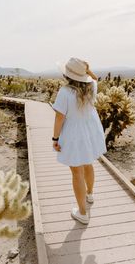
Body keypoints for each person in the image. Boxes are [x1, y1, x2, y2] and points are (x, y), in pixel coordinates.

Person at [51, 57, 107, 224]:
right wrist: (87, 70)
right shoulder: (91, 87)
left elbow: (59, 118)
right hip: (90, 131)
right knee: (88, 163)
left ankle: (82, 213)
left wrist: (55, 138)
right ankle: (90, 194)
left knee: (77, 172)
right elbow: (95, 78)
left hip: (74, 133)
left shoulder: (65, 92)